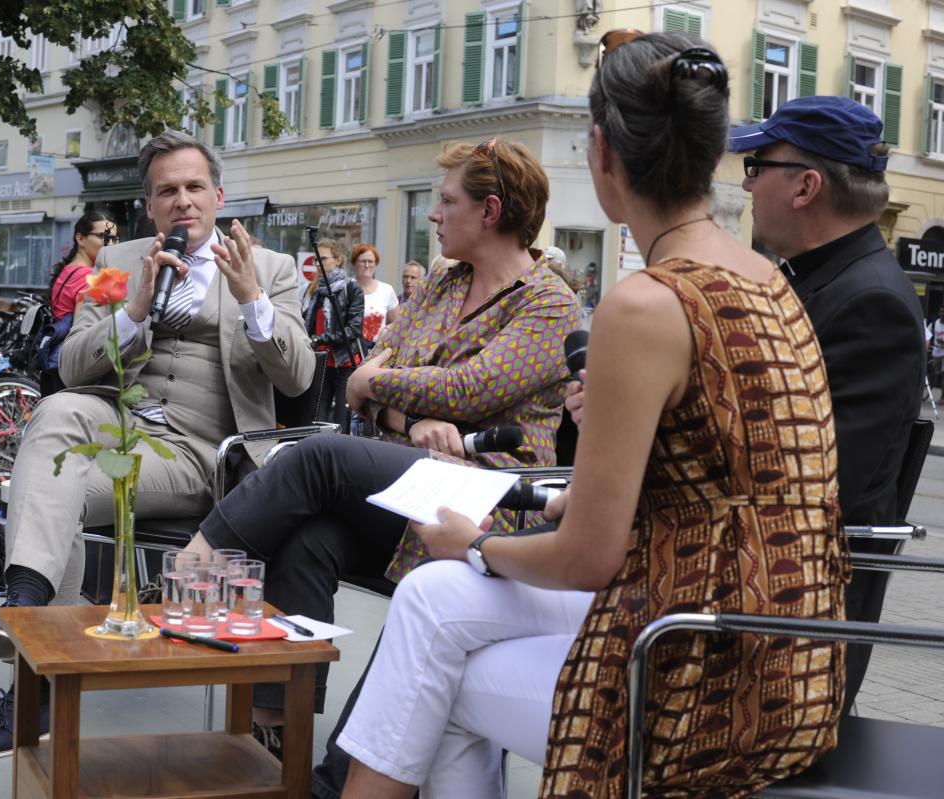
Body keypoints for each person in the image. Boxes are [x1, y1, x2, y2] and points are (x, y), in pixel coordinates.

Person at [336, 33, 847, 798]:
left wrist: (475, 544)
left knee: (435, 661)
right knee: (429, 603)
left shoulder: (644, 304)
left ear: (603, 152)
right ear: (713, 154)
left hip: (695, 669)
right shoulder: (772, 283)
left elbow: (588, 557)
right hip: (791, 644)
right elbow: (709, 481)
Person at [181, 137, 581, 772]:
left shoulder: (549, 302)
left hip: (490, 496)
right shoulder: (445, 281)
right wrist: (410, 414)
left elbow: (466, 387)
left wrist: (382, 384)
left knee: (319, 458)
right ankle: (276, 735)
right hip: (412, 483)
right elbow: (366, 383)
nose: (434, 213)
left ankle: (193, 570)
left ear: (490, 211)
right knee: (310, 540)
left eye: (446, 201)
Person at [0, 130, 315, 760]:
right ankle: (25, 605)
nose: (183, 201)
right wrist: (134, 310)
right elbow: (71, 368)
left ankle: (33, 689)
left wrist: (251, 298)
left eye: (194, 187)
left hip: (199, 452)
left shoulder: (271, 268)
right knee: (55, 413)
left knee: (49, 493)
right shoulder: (119, 261)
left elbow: (298, 378)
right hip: (116, 422)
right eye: (167, 191)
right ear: (149, 205)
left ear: (218, 196)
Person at [729, 95, 925, 714]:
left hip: (793, 630)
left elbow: (810, 482)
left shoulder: (869, 302)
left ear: (805, 186)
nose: (747, 184)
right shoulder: (820, 279)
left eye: (758, 166)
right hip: (766, 602)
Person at [38, 211, 119, 396]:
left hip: (56, 362)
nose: (110, 244)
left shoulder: (68, 270)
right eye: (103, 237)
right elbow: (82, 332)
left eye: (114, 239)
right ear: (80, 238)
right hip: (70, 366)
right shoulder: (88, 276)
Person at [304, 237, 364, 425]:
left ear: (338, 260)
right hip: (320, 363)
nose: (317, 263)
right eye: (316, 259)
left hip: (344, 365)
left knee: (341, 421)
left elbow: (353, 330)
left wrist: (318, 339)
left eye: (323, 259)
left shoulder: (351, 288)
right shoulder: (315, 289)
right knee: (317, 421)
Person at [351, 243, 399, 348]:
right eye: (363, 261)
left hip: (376, 350)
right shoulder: (346, 288)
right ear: (354, 263)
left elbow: (397, 323)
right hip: (350, 351)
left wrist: (385, 332)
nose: (367, 265)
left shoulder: (387, 290)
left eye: (371, 261)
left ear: (376, 264)